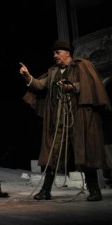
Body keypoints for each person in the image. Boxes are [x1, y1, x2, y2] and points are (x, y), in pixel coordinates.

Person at [19, 40, 112, 201]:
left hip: (79, 119)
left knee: (85, 154)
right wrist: (28, 77)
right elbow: (40, 86)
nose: (55, 55)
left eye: (57, 52)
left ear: (67, 52)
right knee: (51, 154)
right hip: (59, 121)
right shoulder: (53, 71)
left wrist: (72, 87)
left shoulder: (82, 66)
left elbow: (90, 86)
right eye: (54, 53)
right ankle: (46, 190)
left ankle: (94, 191)